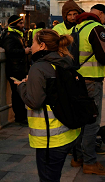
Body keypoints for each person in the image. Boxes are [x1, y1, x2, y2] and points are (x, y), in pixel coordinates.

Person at [15, 29, 81, 182]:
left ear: (42, 45)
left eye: (33, 43)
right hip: (68, 133)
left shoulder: (39, 67)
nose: (31, 47)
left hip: (50, 137)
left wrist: (22, 87)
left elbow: (34, 102)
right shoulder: (63, 61)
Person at [71, 4, 105, 175]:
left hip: (76, 79)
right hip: (92, 80)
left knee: (79, 120)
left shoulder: (77, 27)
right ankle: (90, 162)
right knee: (92, 122)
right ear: (100, 13)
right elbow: (103, 57)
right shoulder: (96, 28)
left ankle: (77, 158)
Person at [0, 15, 30, 124]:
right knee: (17, 95)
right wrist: (24, 51)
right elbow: (9, 51)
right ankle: (20, 117)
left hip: (19, 68)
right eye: (20, 23)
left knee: (20, 93)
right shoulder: (10, 36)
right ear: (14, 24)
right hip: (15, 69)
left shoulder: (16, 35)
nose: (23, 25)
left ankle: (21, 116)